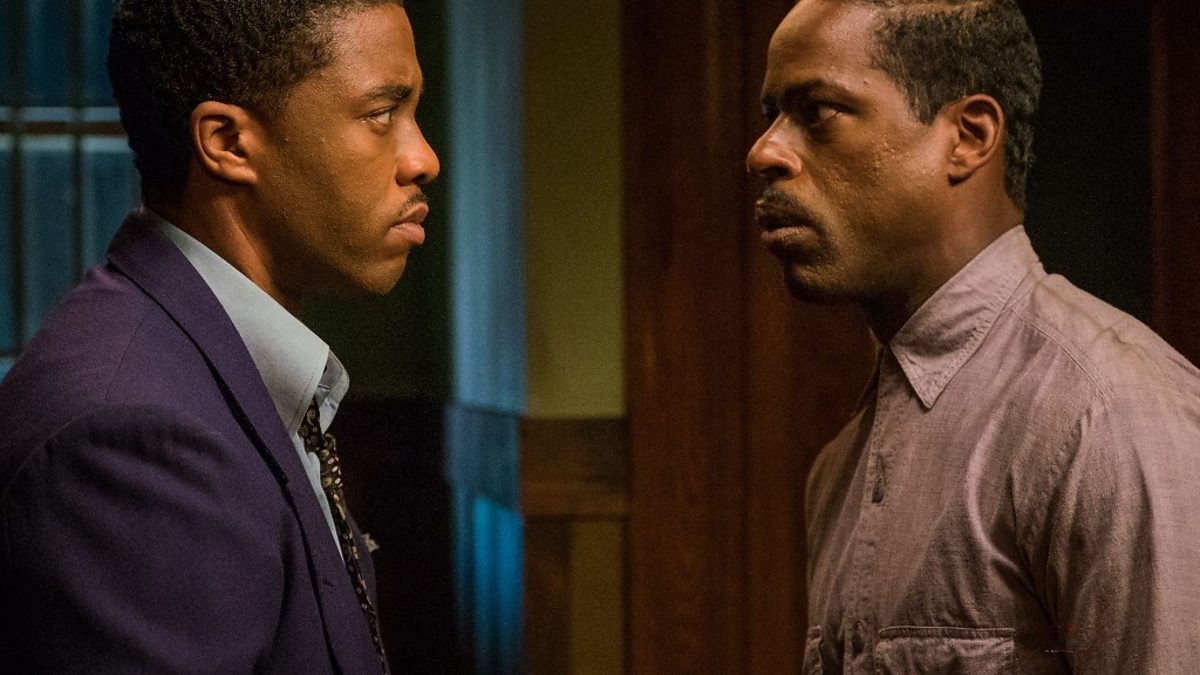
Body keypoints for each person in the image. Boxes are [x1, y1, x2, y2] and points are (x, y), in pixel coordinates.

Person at [747, 1, 1200, 673]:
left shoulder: (1109, 416)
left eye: (817, 112)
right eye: (772, 116)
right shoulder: (841, 465)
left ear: (968, 136)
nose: (763, 151)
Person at [0, 0, 437, 672]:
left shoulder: (210, 356)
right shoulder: (131, 435)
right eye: (382, 113)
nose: (423, 158)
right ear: (229, 144)